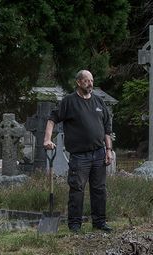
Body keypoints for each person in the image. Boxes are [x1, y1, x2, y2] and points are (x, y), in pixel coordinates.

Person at [43, 70, 113, 233]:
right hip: (79, 156)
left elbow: (107, 128)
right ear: (79, 82)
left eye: (92, 80)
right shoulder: (69, 101)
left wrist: (108, 149)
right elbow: (52, 119)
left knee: (99, 189)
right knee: (77, 189)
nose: (90, 84)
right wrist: (47, 139)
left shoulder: (98, 102)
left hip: (99, 153)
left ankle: (99, 222)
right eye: (87, 81)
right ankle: (74, 224)